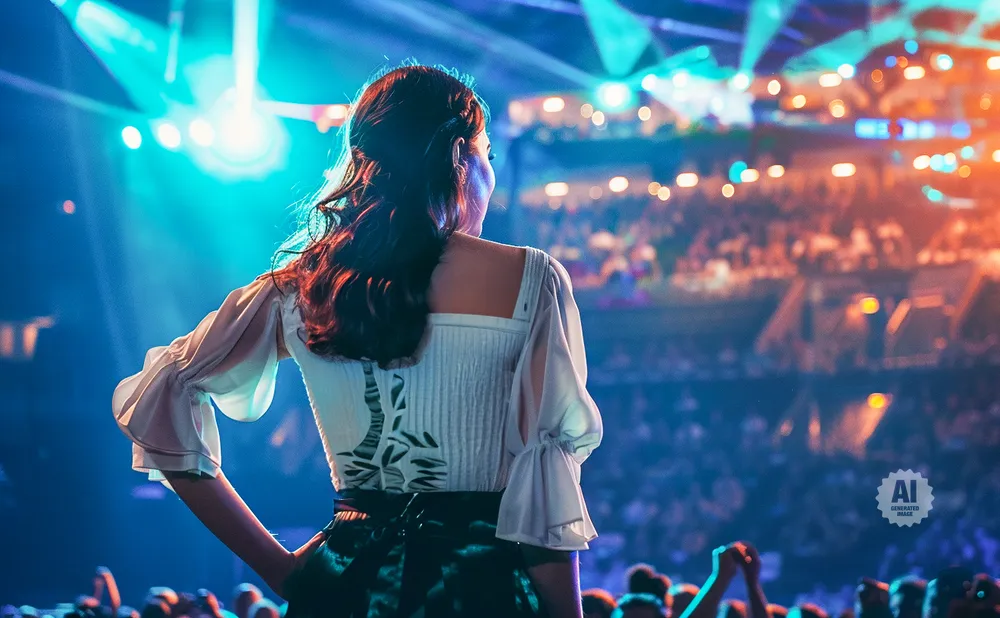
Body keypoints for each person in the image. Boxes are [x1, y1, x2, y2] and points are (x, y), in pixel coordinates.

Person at [112, 64, 603, 618]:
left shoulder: (301, 286)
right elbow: (546, 482)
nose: (491, 169)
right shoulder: (530, 279)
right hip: (476, 588)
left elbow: (158, 398)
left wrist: (283, 570)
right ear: (459, 156)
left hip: (343, 584)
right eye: (488, 152)